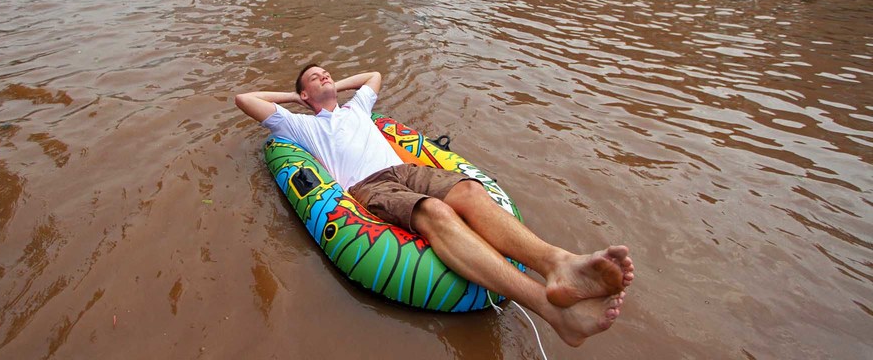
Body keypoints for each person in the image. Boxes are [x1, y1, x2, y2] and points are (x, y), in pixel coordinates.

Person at [235, 66, 636, 347]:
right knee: (435, 213)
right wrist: (295, 97)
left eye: (327, 73)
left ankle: (559, 264)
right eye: (314, 78)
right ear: (304, 95)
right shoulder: (299, 125)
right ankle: (553, 312)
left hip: (404, 169)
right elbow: (244, 98)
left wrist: (333, 85)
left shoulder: (357, 109)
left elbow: (374, 76)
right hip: (367, 187)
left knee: (470, 192)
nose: (324, 77)